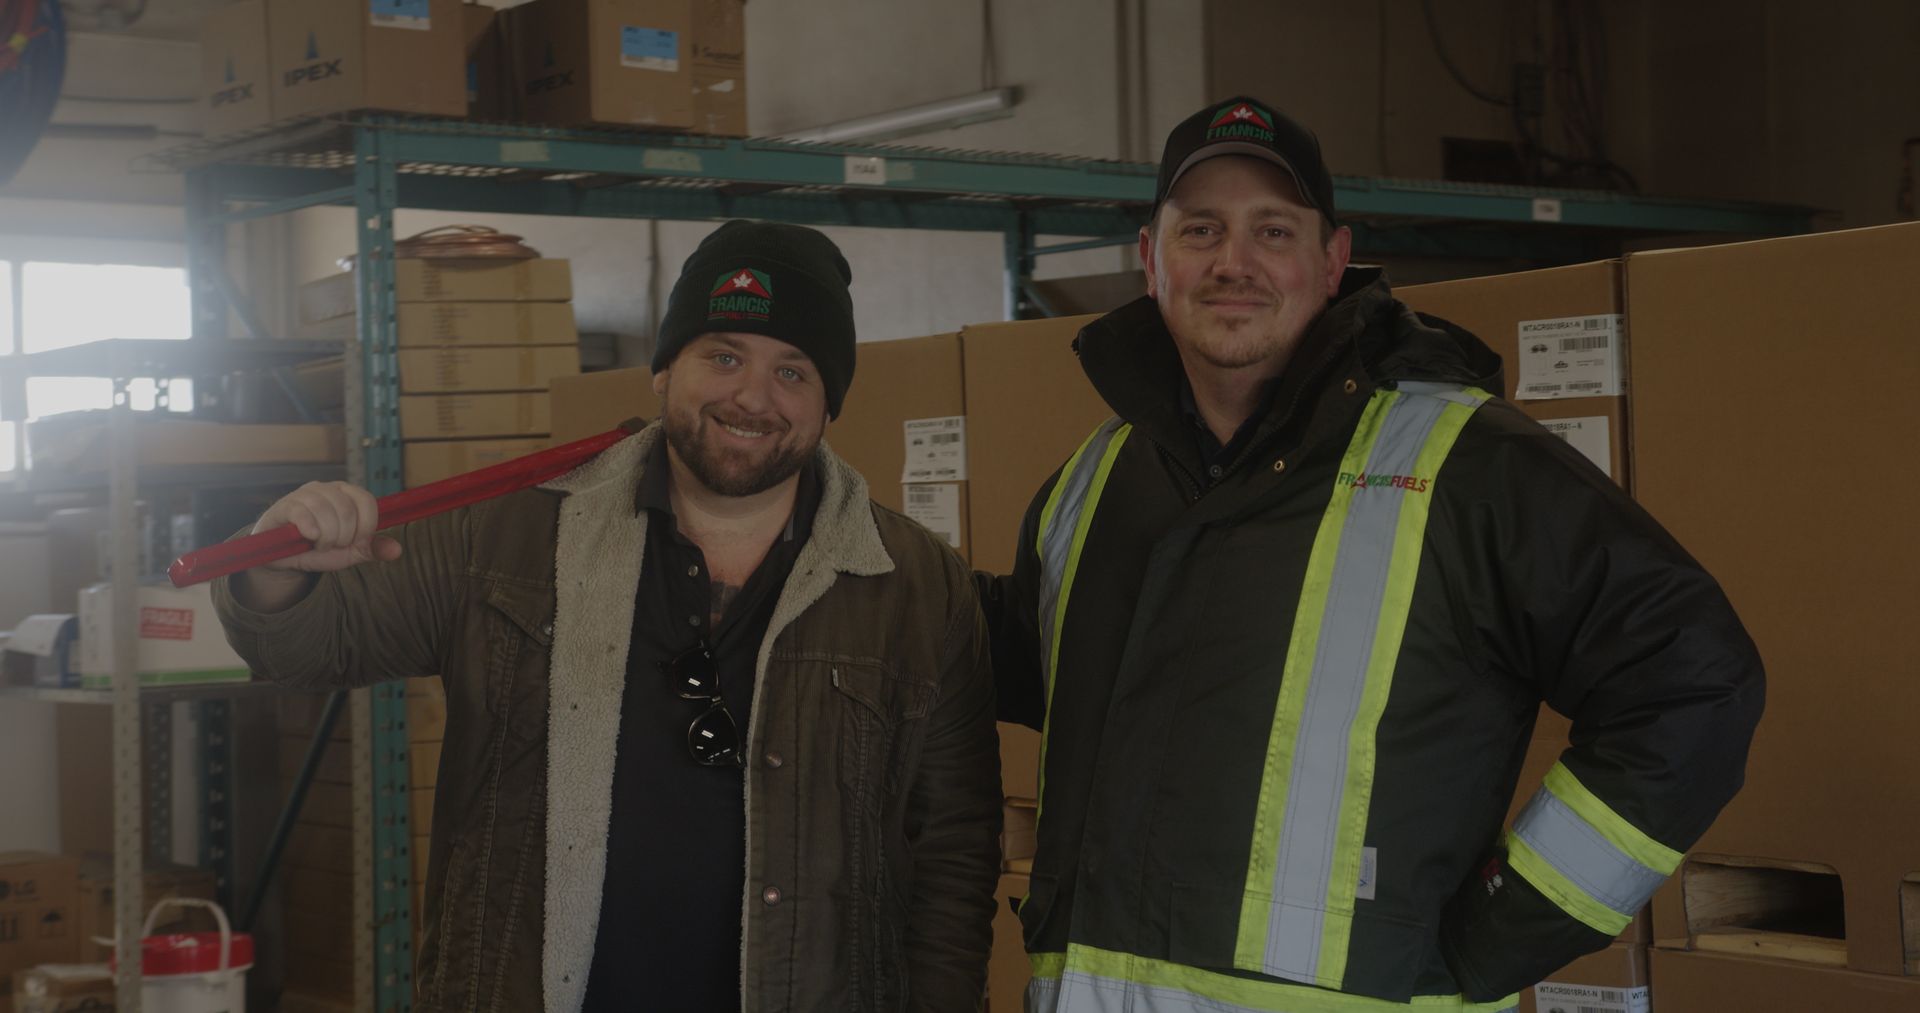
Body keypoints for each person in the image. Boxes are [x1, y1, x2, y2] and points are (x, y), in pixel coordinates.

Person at [977, 97, 1765, 1012]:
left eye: (1274, 229)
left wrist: (1506, 928)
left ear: (1333, 261)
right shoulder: (1093, 479)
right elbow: (1038, 666)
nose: (1234, 262)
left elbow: (1693, 679)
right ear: (1151, 258)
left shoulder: (1465, 464)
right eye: (1201, 229)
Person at [214, 221, 1002, 1012]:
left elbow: (954, 852)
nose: (752, 397)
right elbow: (307, 645)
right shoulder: (511, 532)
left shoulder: (912, 585)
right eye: (723, 355)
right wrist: (276, 567)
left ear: (831, 401)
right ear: (665, 368)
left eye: (792, 371)